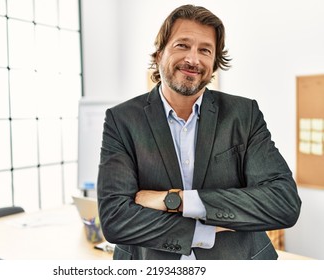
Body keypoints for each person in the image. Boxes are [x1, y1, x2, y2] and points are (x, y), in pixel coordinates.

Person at [97, 4, 301, 260]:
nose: (193, 59)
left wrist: (177, 201)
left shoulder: (243, 114)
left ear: (215, 62)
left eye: (205, 50)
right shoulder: (123, 120)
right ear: (159, 54)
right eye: (182, 45)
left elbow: (283, 203)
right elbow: (116, 219)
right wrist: (208, 228)